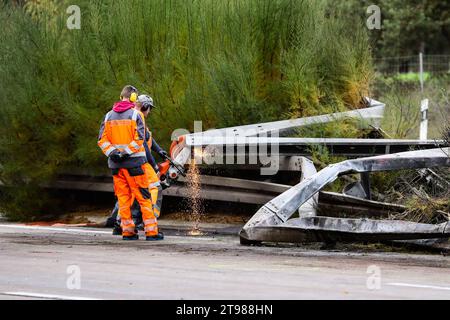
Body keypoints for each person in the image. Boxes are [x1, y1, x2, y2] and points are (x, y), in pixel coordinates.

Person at [98, 85, 163, 241]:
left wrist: (113, 153)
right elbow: (140, 139)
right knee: (144, 197)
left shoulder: (108, 116)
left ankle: (128, 232)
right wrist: (125, 152)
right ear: (134, 98)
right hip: (134, 165)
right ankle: (151, 232)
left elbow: (102, 140)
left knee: (123, 198)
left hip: (116, 166)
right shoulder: (136, 115)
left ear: (121, 97)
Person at [109, 94, 168, 235]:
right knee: (154, 188)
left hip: (121, 163)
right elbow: (143, 144)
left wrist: (160, 151)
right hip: (139, 162)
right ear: (145, 106)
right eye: (150, 109)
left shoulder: (128, 116)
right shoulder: (138, 117)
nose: (150, 112)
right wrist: (154, 166)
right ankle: (149, 222)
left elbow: (148, 139)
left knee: (127, 194)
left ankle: (121, 225)